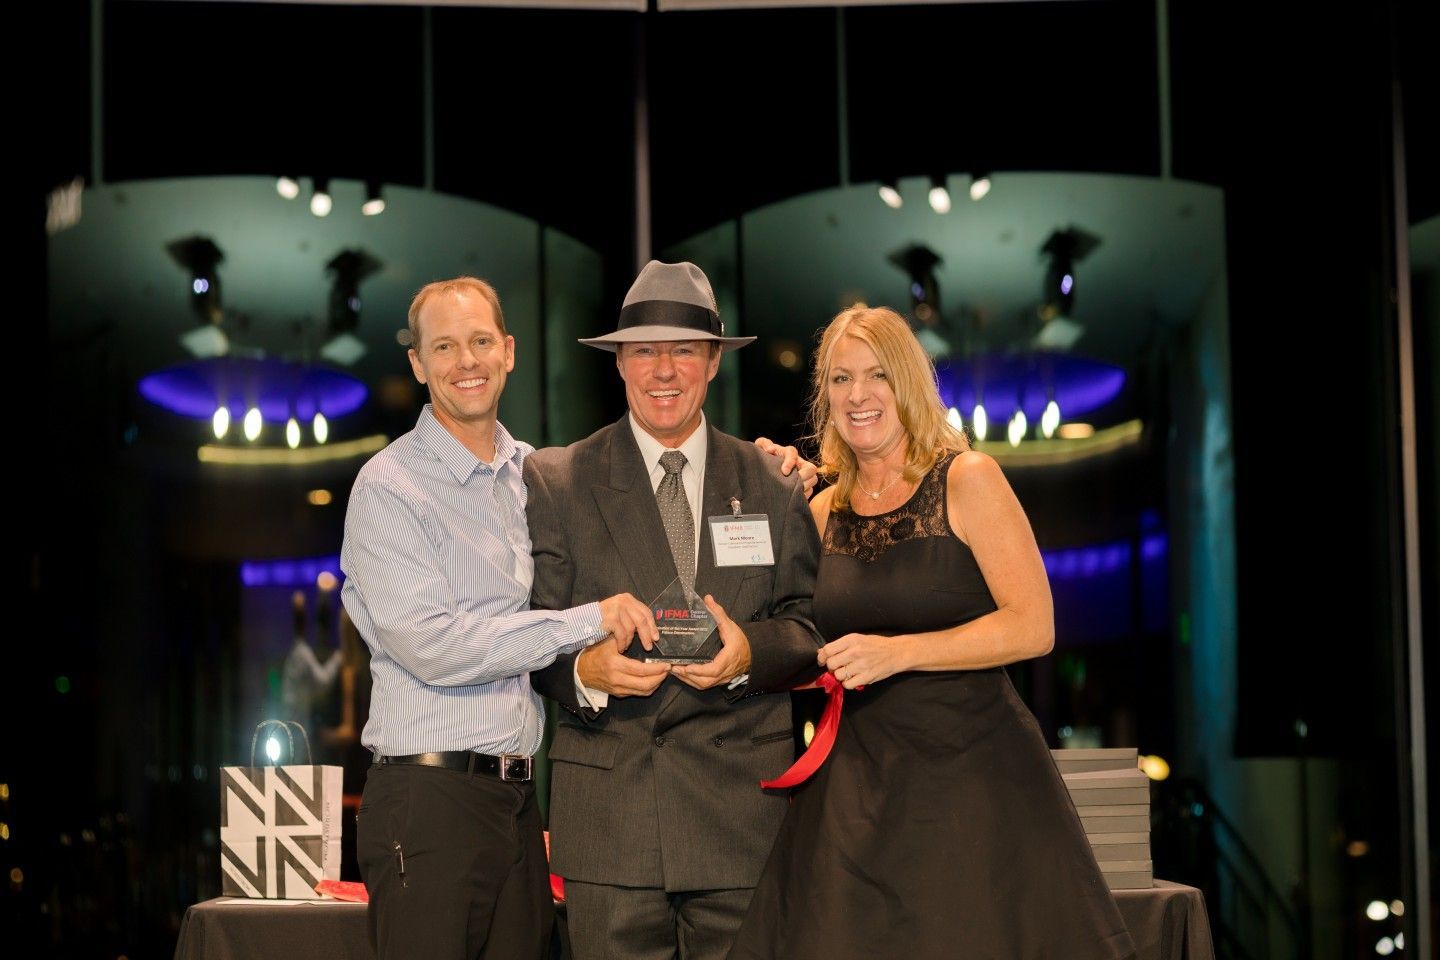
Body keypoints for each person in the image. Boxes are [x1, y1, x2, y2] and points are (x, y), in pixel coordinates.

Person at [728, 305, 1136, 960]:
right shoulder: (821, 507)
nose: (857, 395)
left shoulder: (967, 479)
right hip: (856, 790)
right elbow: (792, 627)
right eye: (839, 380)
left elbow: (1035, 626)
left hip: (973, 779)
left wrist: (901, 653)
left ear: (910, 384)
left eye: (876, 375)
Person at [341, 276, 661, 960]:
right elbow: (434, 645)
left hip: (518, 802)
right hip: (427, 801)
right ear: (419, 364)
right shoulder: (388, 486)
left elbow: (643, 491)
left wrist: (766, 465)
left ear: (509, 351)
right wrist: (584, 622)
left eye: (481, 341)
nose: (468, 361)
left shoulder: (535, 476)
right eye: (446, 346)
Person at [527, 260, 825, 960]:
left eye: (683, 350)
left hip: (742, 820)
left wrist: (751, 653)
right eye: (644, 350)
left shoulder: (774, 483)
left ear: (714, 362)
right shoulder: (558, 481)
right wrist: (585, 671)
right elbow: (531, 635)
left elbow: (811, 626)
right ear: (620, 363)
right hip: (612, 823)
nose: (664, 370)